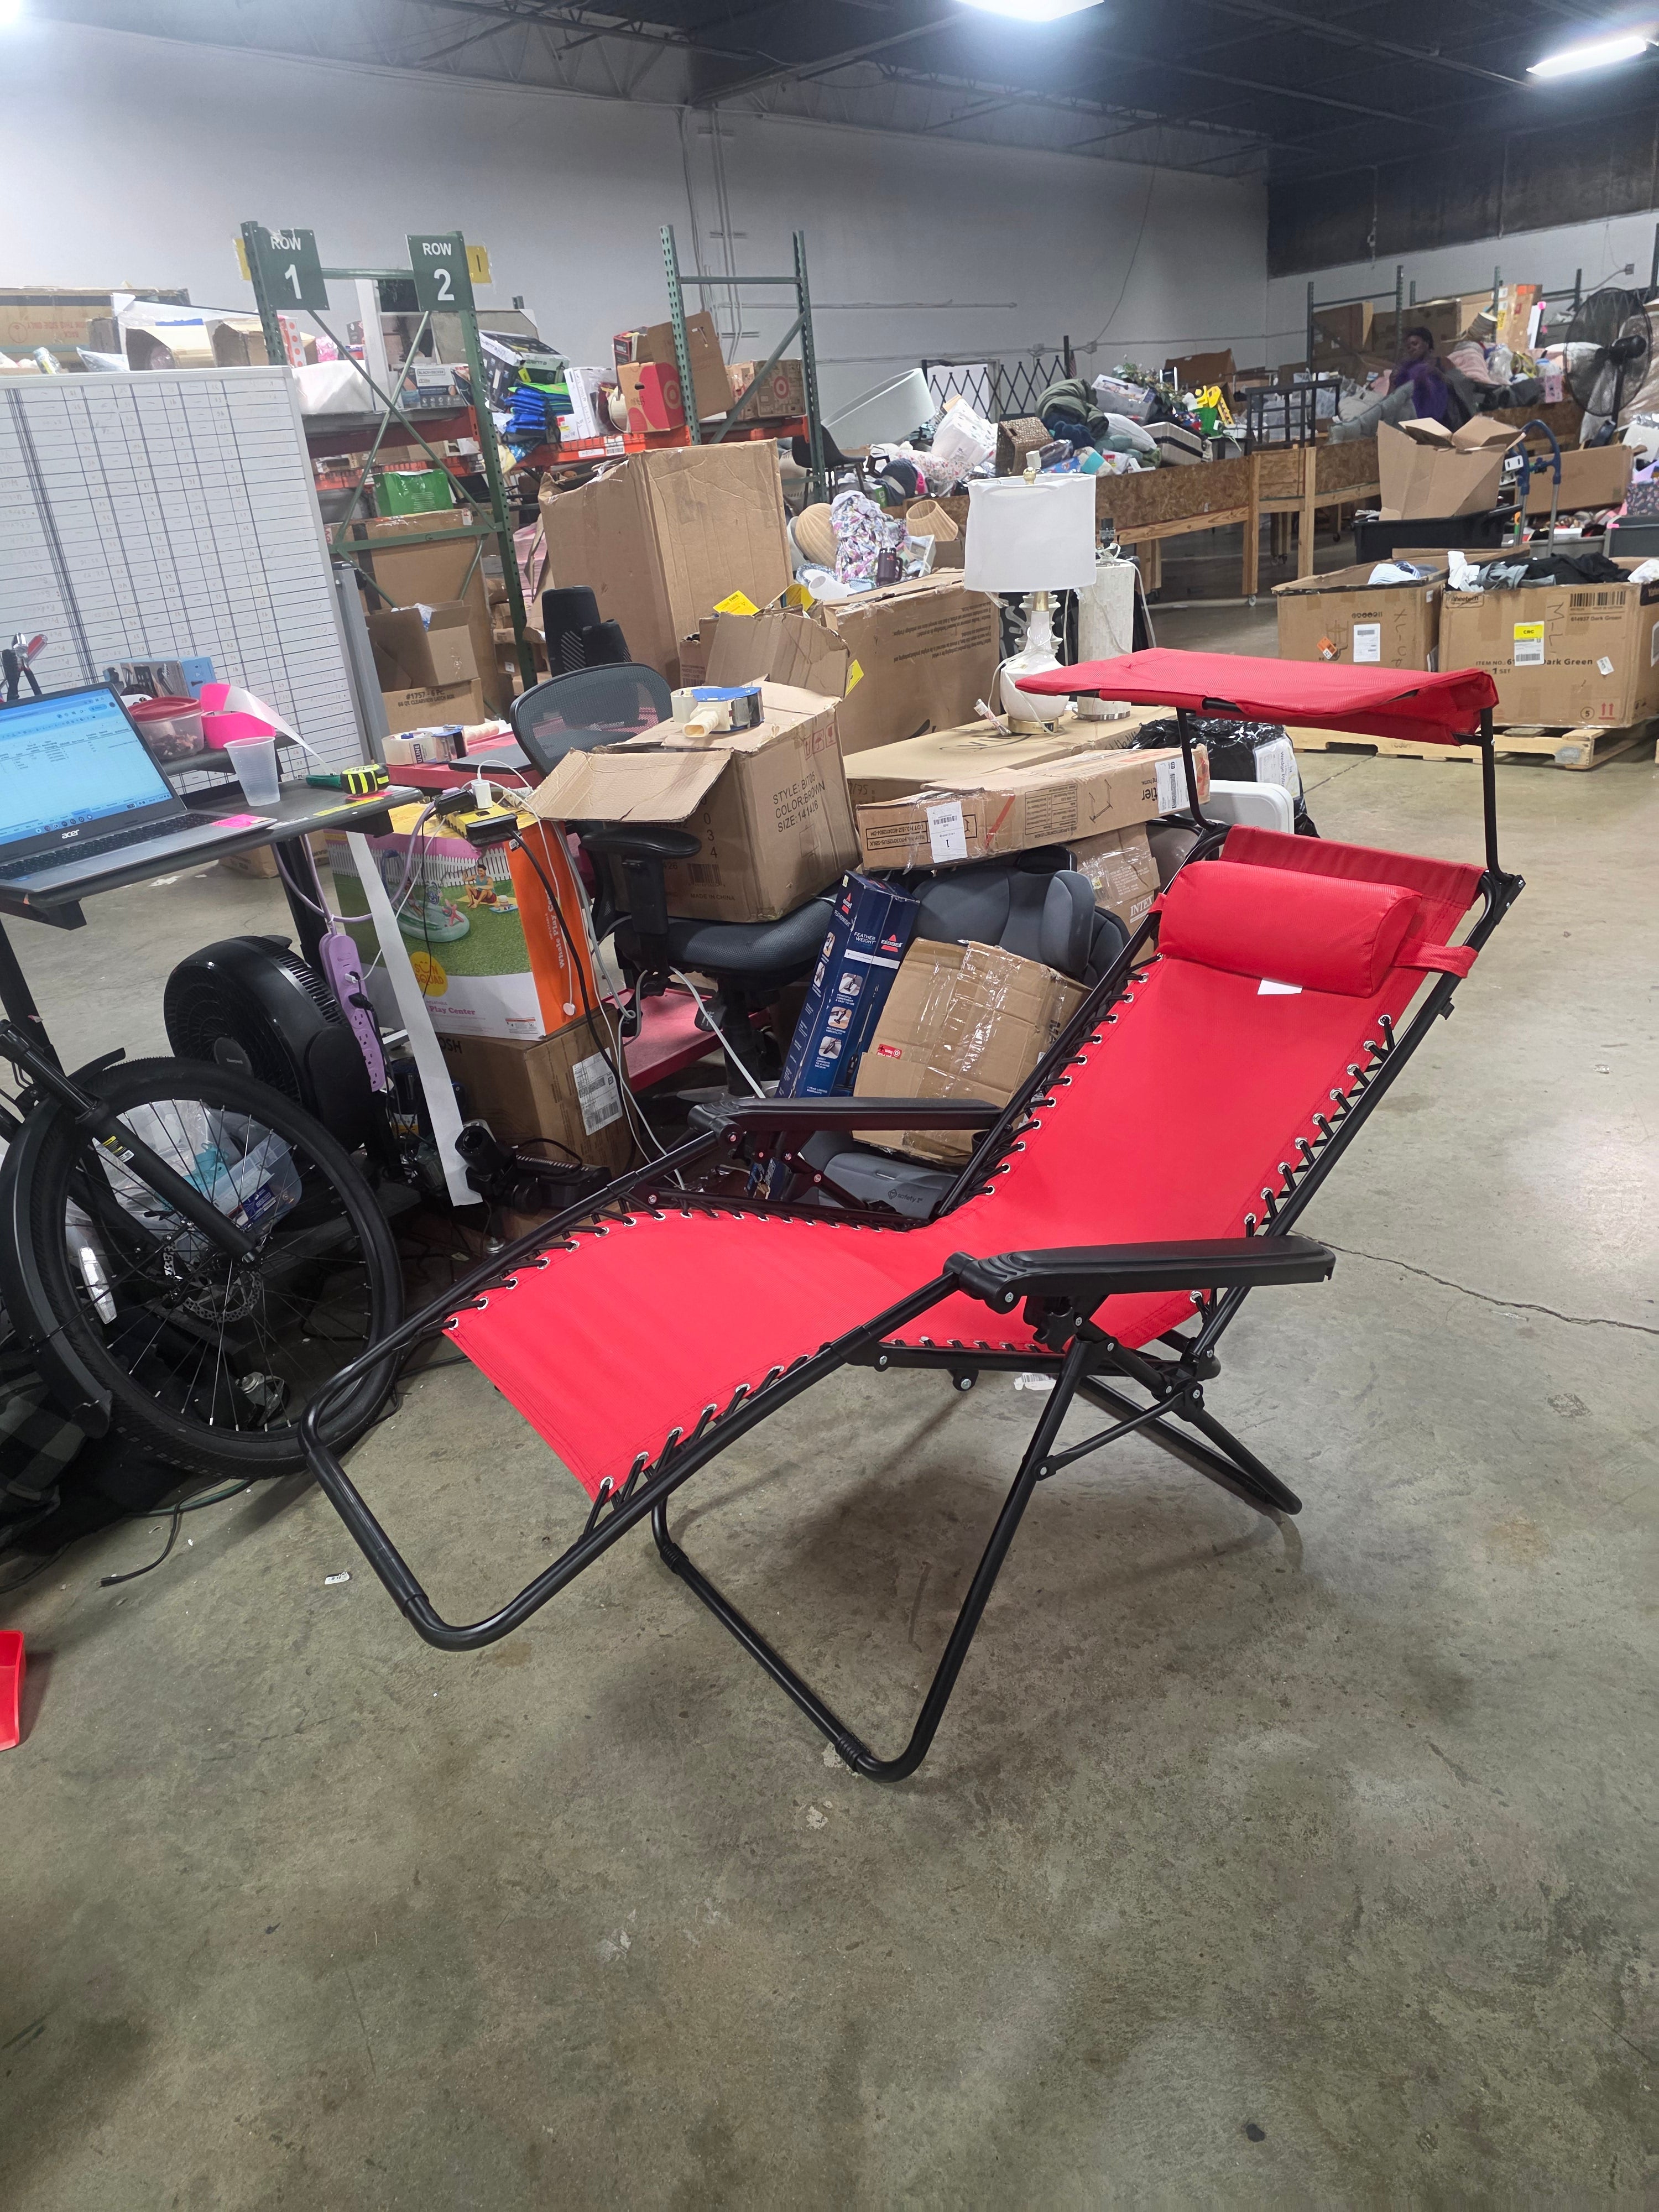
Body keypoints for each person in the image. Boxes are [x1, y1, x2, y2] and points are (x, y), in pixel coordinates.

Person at [1390, 327, 1450, 424]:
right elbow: (1393, 401)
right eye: (1408, 347)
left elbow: (1453, 385)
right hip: (1409, 421)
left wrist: (1437, 373)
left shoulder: (1439, 364)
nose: (1412, 349)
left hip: (1434, 421)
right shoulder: (1406, 371)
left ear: (1426, 343)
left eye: (1415, 344)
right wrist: (1392, 382)